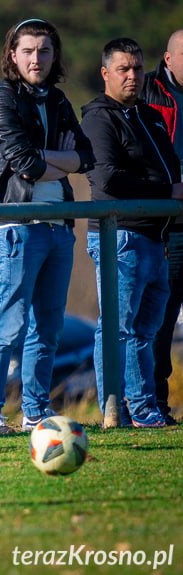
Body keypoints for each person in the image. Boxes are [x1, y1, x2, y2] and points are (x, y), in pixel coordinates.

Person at [0, 18, 95, 435]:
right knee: (9, 322)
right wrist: (55, 160)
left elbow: (86, 157)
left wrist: (49, 159)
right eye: (27, 50)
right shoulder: (1, 98)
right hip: (16, 223)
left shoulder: (59, 101)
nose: (36, 58)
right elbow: (23, 167)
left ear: (54, 55)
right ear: (12, 54)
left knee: (48, 326)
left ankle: (35, 412)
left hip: (59, 225)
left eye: (44, 50)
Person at [81, 37, 183, 429]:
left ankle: (143, 410)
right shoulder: (97, 117)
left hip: (156, 238)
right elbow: (106, 178)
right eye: (123, 69)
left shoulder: (150, 115)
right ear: (106, 73)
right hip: (120, 236)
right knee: (117, 328)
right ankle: (114, 412)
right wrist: (167, 192)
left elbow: (170, 169)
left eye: (138, 68)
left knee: (145, 331)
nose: (133, 76)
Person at [143, 29, 183, 426]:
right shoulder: (148, 95)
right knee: (160, 321)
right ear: (168, 60)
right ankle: (155, 405)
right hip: (167, 226)